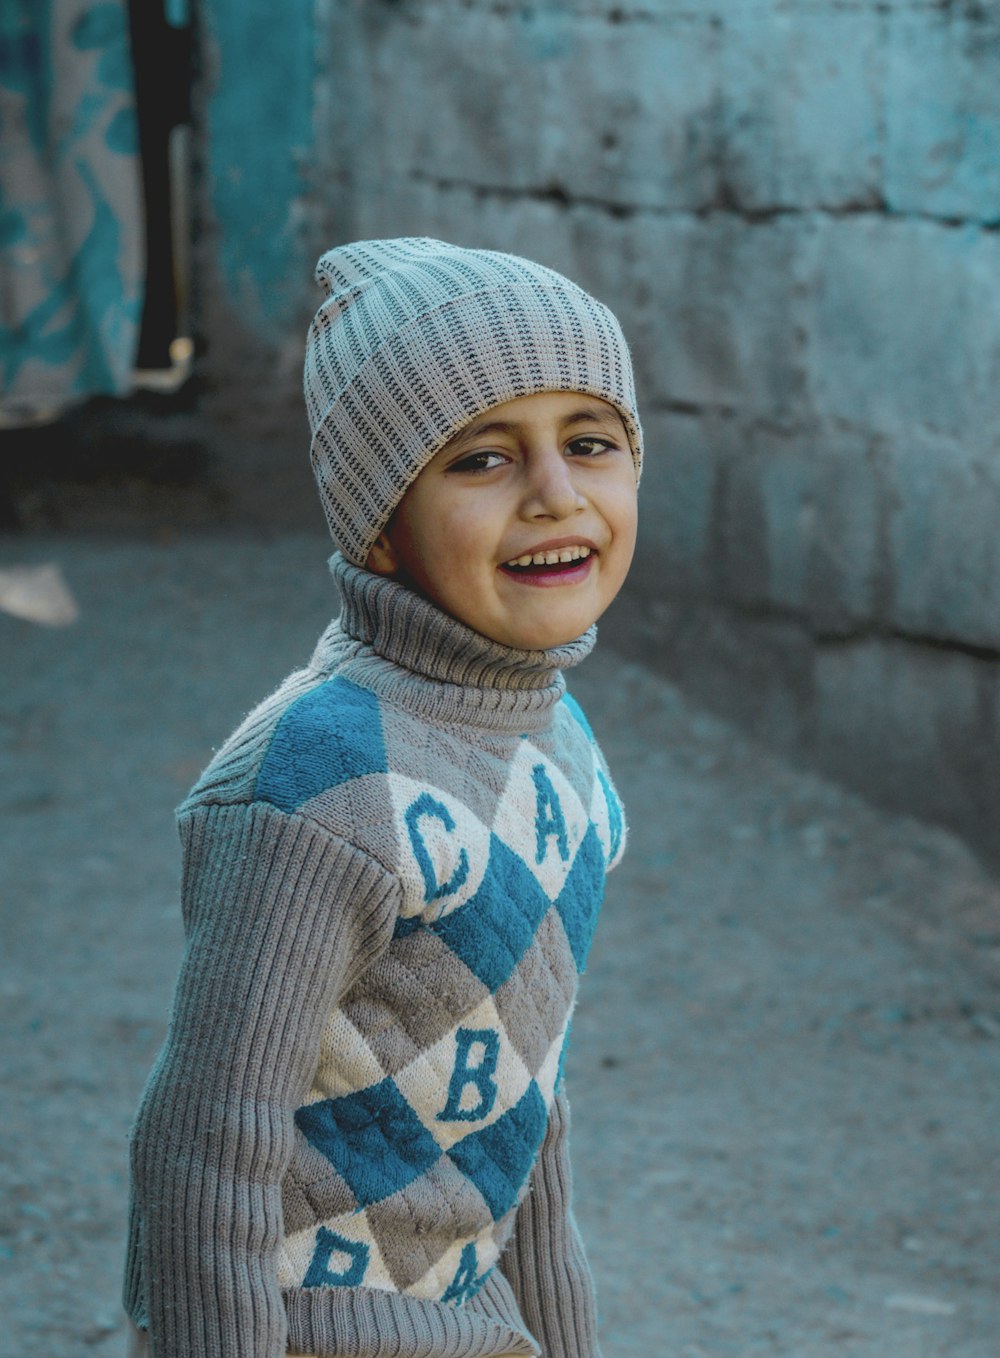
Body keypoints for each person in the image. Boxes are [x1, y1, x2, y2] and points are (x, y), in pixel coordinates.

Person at [123, 237, 643, 1358]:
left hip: (472, 1323)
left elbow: (526, 1112)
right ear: (376, 522)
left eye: (591, 443)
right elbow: (207, 1143)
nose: (557, 494)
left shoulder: (560, 748)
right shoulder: (316, 782)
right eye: (481, 460)